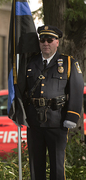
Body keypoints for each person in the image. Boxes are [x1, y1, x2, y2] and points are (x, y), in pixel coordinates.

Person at [24, 25, 84, 180]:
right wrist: (20, 113)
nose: (46, 43)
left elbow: (77, 91)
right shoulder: (30, 63)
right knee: (36, 165)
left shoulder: (68, 63)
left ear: (57, 42)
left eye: (49, 40)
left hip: (58, 121)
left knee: (57, 165)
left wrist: (72, 116)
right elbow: (22, 90)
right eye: (42, 40)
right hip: (34, 121)